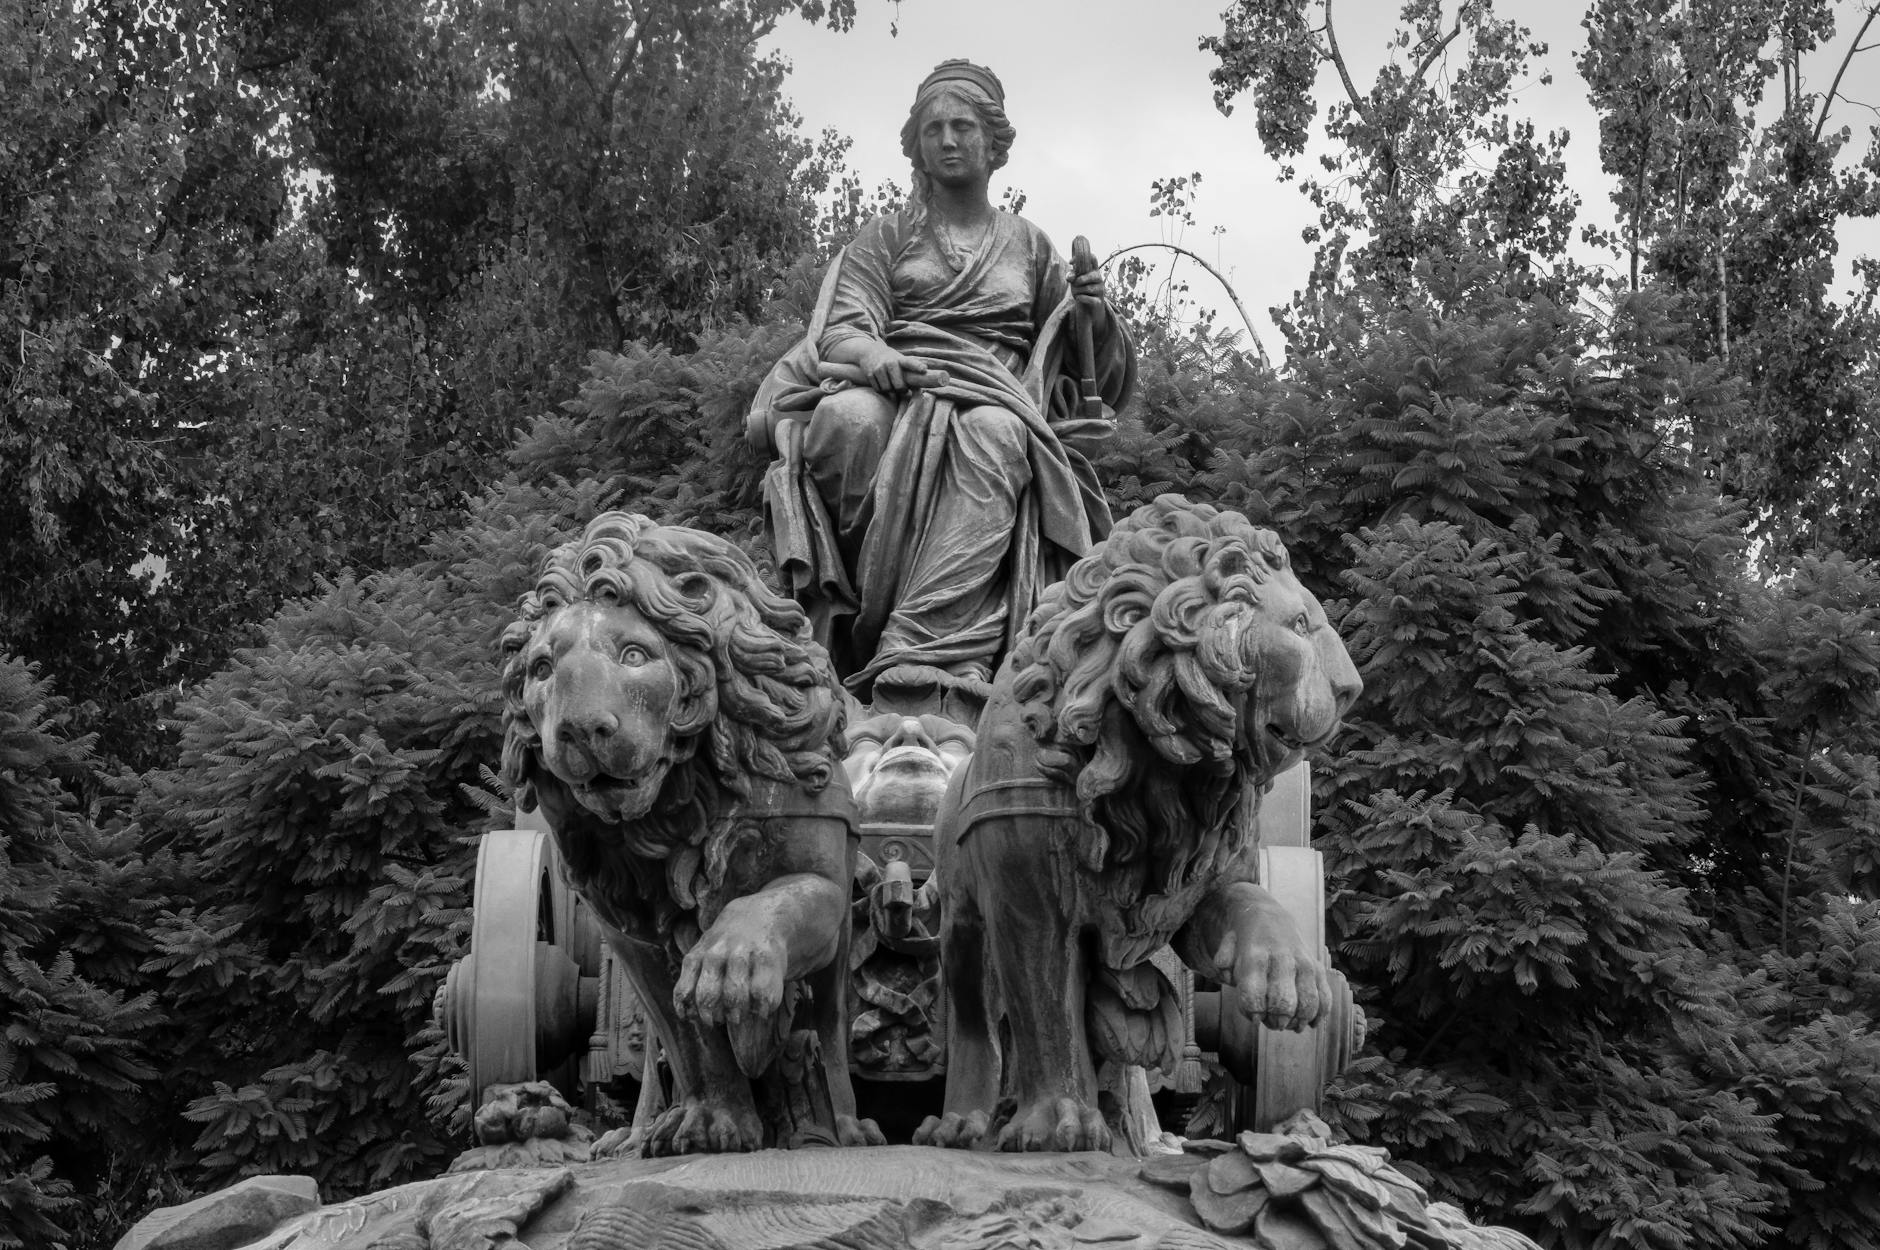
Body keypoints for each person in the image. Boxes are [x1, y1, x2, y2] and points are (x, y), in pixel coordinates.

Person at [752, 60, 1135, 720]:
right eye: (934, 129)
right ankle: (858, 620)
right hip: (899, 384)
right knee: (846, 419)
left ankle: (922, 649)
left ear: (994, 143)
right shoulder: (888, 236)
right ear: (917, 145)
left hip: (998, 398)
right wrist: (879, 359)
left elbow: (1078, 362)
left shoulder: (1030, 246)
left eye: (963, 127)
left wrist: (1095, 313)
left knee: (996, 433)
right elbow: (842, 331)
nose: (949, 139)